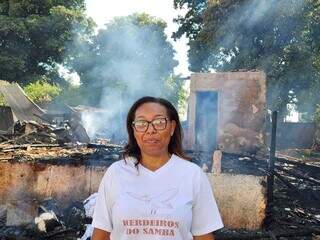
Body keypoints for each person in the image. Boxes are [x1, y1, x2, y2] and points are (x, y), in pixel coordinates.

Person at [92, 96, 223, 240]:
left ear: (172, 128)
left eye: (159, 122)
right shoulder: (116, 173)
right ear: (133, 130)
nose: (150, 130)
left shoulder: (192, 175)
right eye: (142, 123)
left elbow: (204, 236)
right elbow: (101, 235)